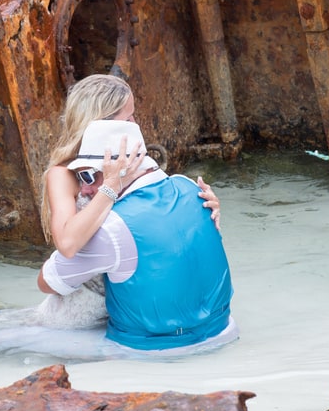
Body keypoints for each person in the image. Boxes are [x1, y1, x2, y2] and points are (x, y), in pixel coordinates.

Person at [38, 120, 237, 351]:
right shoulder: (192, 188)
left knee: (11, 342)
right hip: (223, 331)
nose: (84, 189)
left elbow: (47, 283)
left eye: (88, 176)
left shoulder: (112, 227)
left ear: (119, 170)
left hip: (153, 351)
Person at [40, 74, 221, 260]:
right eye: (127, 120)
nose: (135, 124)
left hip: (135, 276)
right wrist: (111, 186)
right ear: (102, 125)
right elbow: (67, 246)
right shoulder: (62, 174)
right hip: (87, 278)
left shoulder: (128, 159)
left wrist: (202, 207)